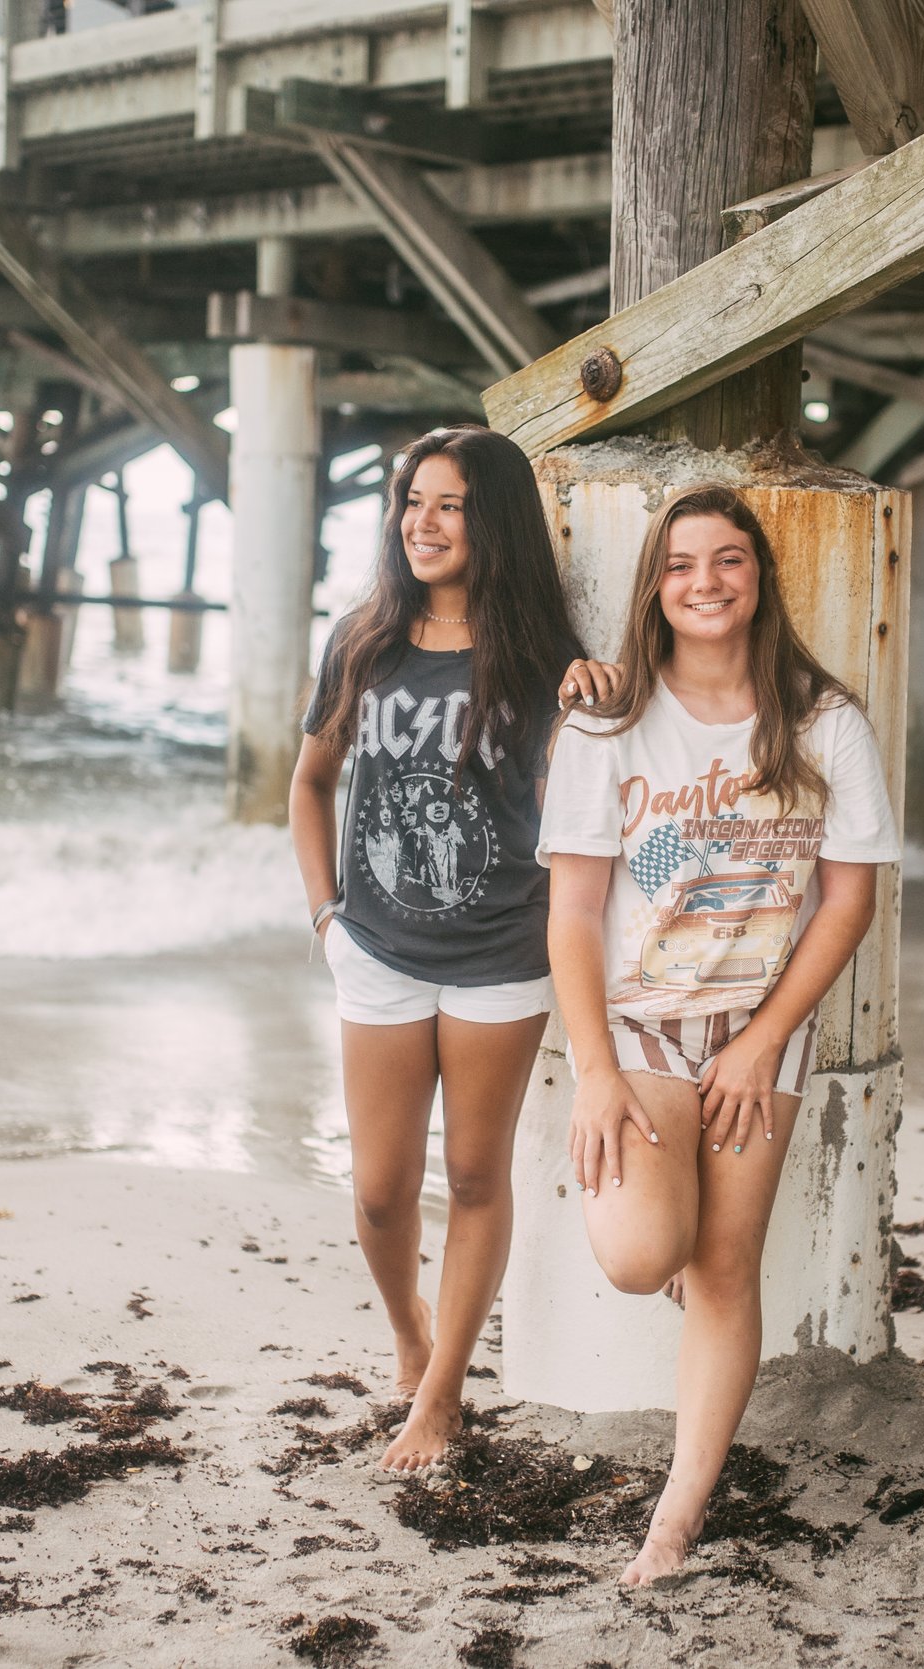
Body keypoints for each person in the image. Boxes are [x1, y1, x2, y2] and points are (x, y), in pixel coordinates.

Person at [535, 484, 901, 1585]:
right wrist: (594, 1072)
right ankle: (673, 1202)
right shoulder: (603, 723)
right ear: (655, 585)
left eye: (729, 560)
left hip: (761, 1029)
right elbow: (571, 914)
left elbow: (847, 900)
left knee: (727, 1267)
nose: (707, 581)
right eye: (684, 563)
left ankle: (675, 1519)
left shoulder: (823, 720)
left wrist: (761, 1041)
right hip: (643, 1027)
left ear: (758, 579)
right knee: (649, 1255)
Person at [288, 424, 617, 1474]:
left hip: (499, 959)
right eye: (411, 502)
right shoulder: (362, 641)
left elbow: (589, 794)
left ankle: (441, 1396)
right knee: (380, 1190)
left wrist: (604, 697)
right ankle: (407, 1332)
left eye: (449, 506)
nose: (420, 524)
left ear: (495, 522)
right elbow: (308, 784)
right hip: (376, 951)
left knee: (476, 1178)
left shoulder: (540, 664)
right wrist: (325, 917)